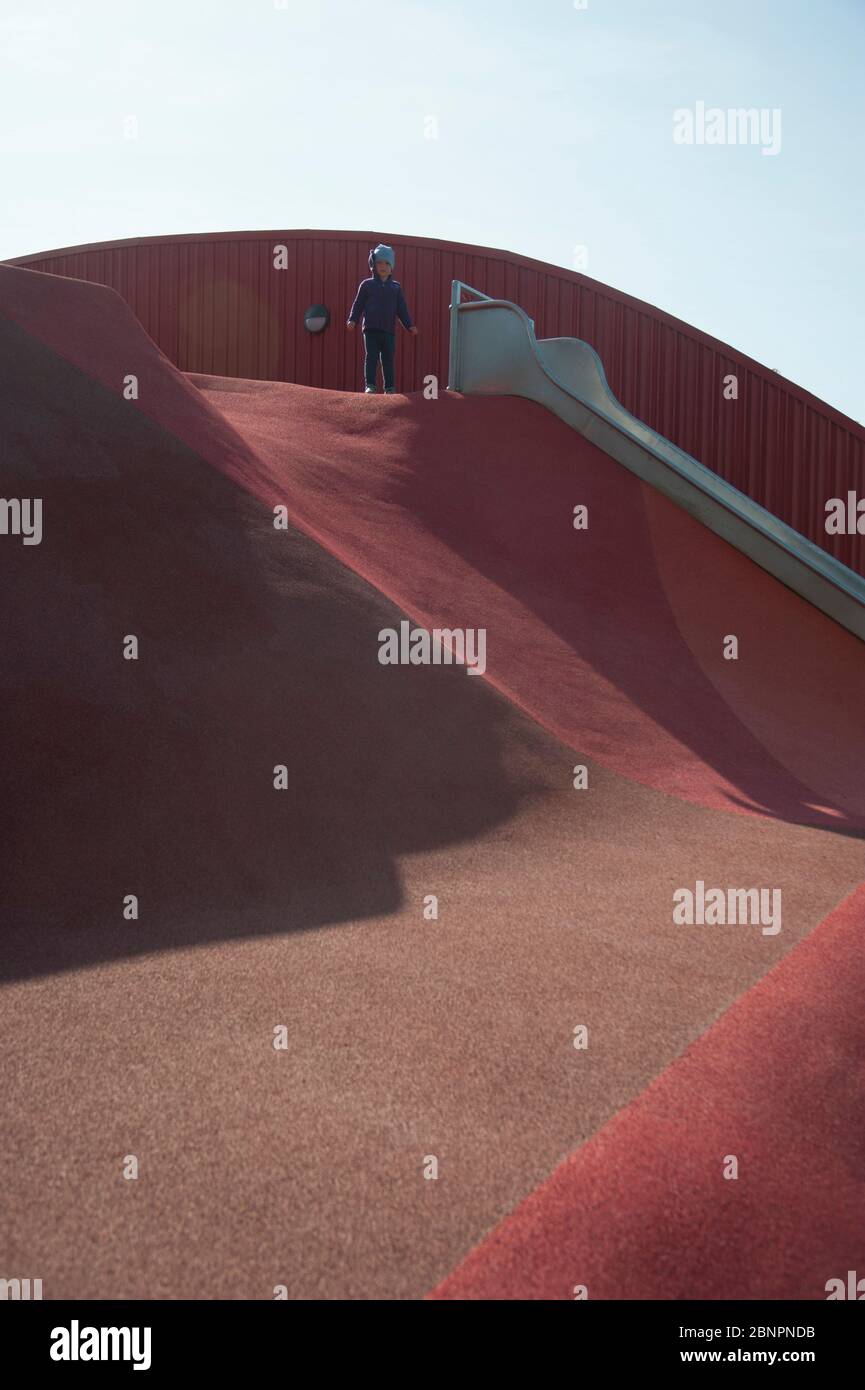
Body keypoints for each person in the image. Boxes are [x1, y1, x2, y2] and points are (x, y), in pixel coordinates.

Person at [346, 244, 418, 393]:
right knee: (371, 357)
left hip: (388, 330)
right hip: (370, 329)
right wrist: (353, 319)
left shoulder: (396, 288)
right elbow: (358, 304)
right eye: (379, 263)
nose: (382, 266)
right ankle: (370, 385)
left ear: (392, 267)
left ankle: (389, 388)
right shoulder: (367, 285)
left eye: (386, 263)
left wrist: (409, 325)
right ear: (373, 265)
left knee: (388, 359)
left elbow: (401, 309)